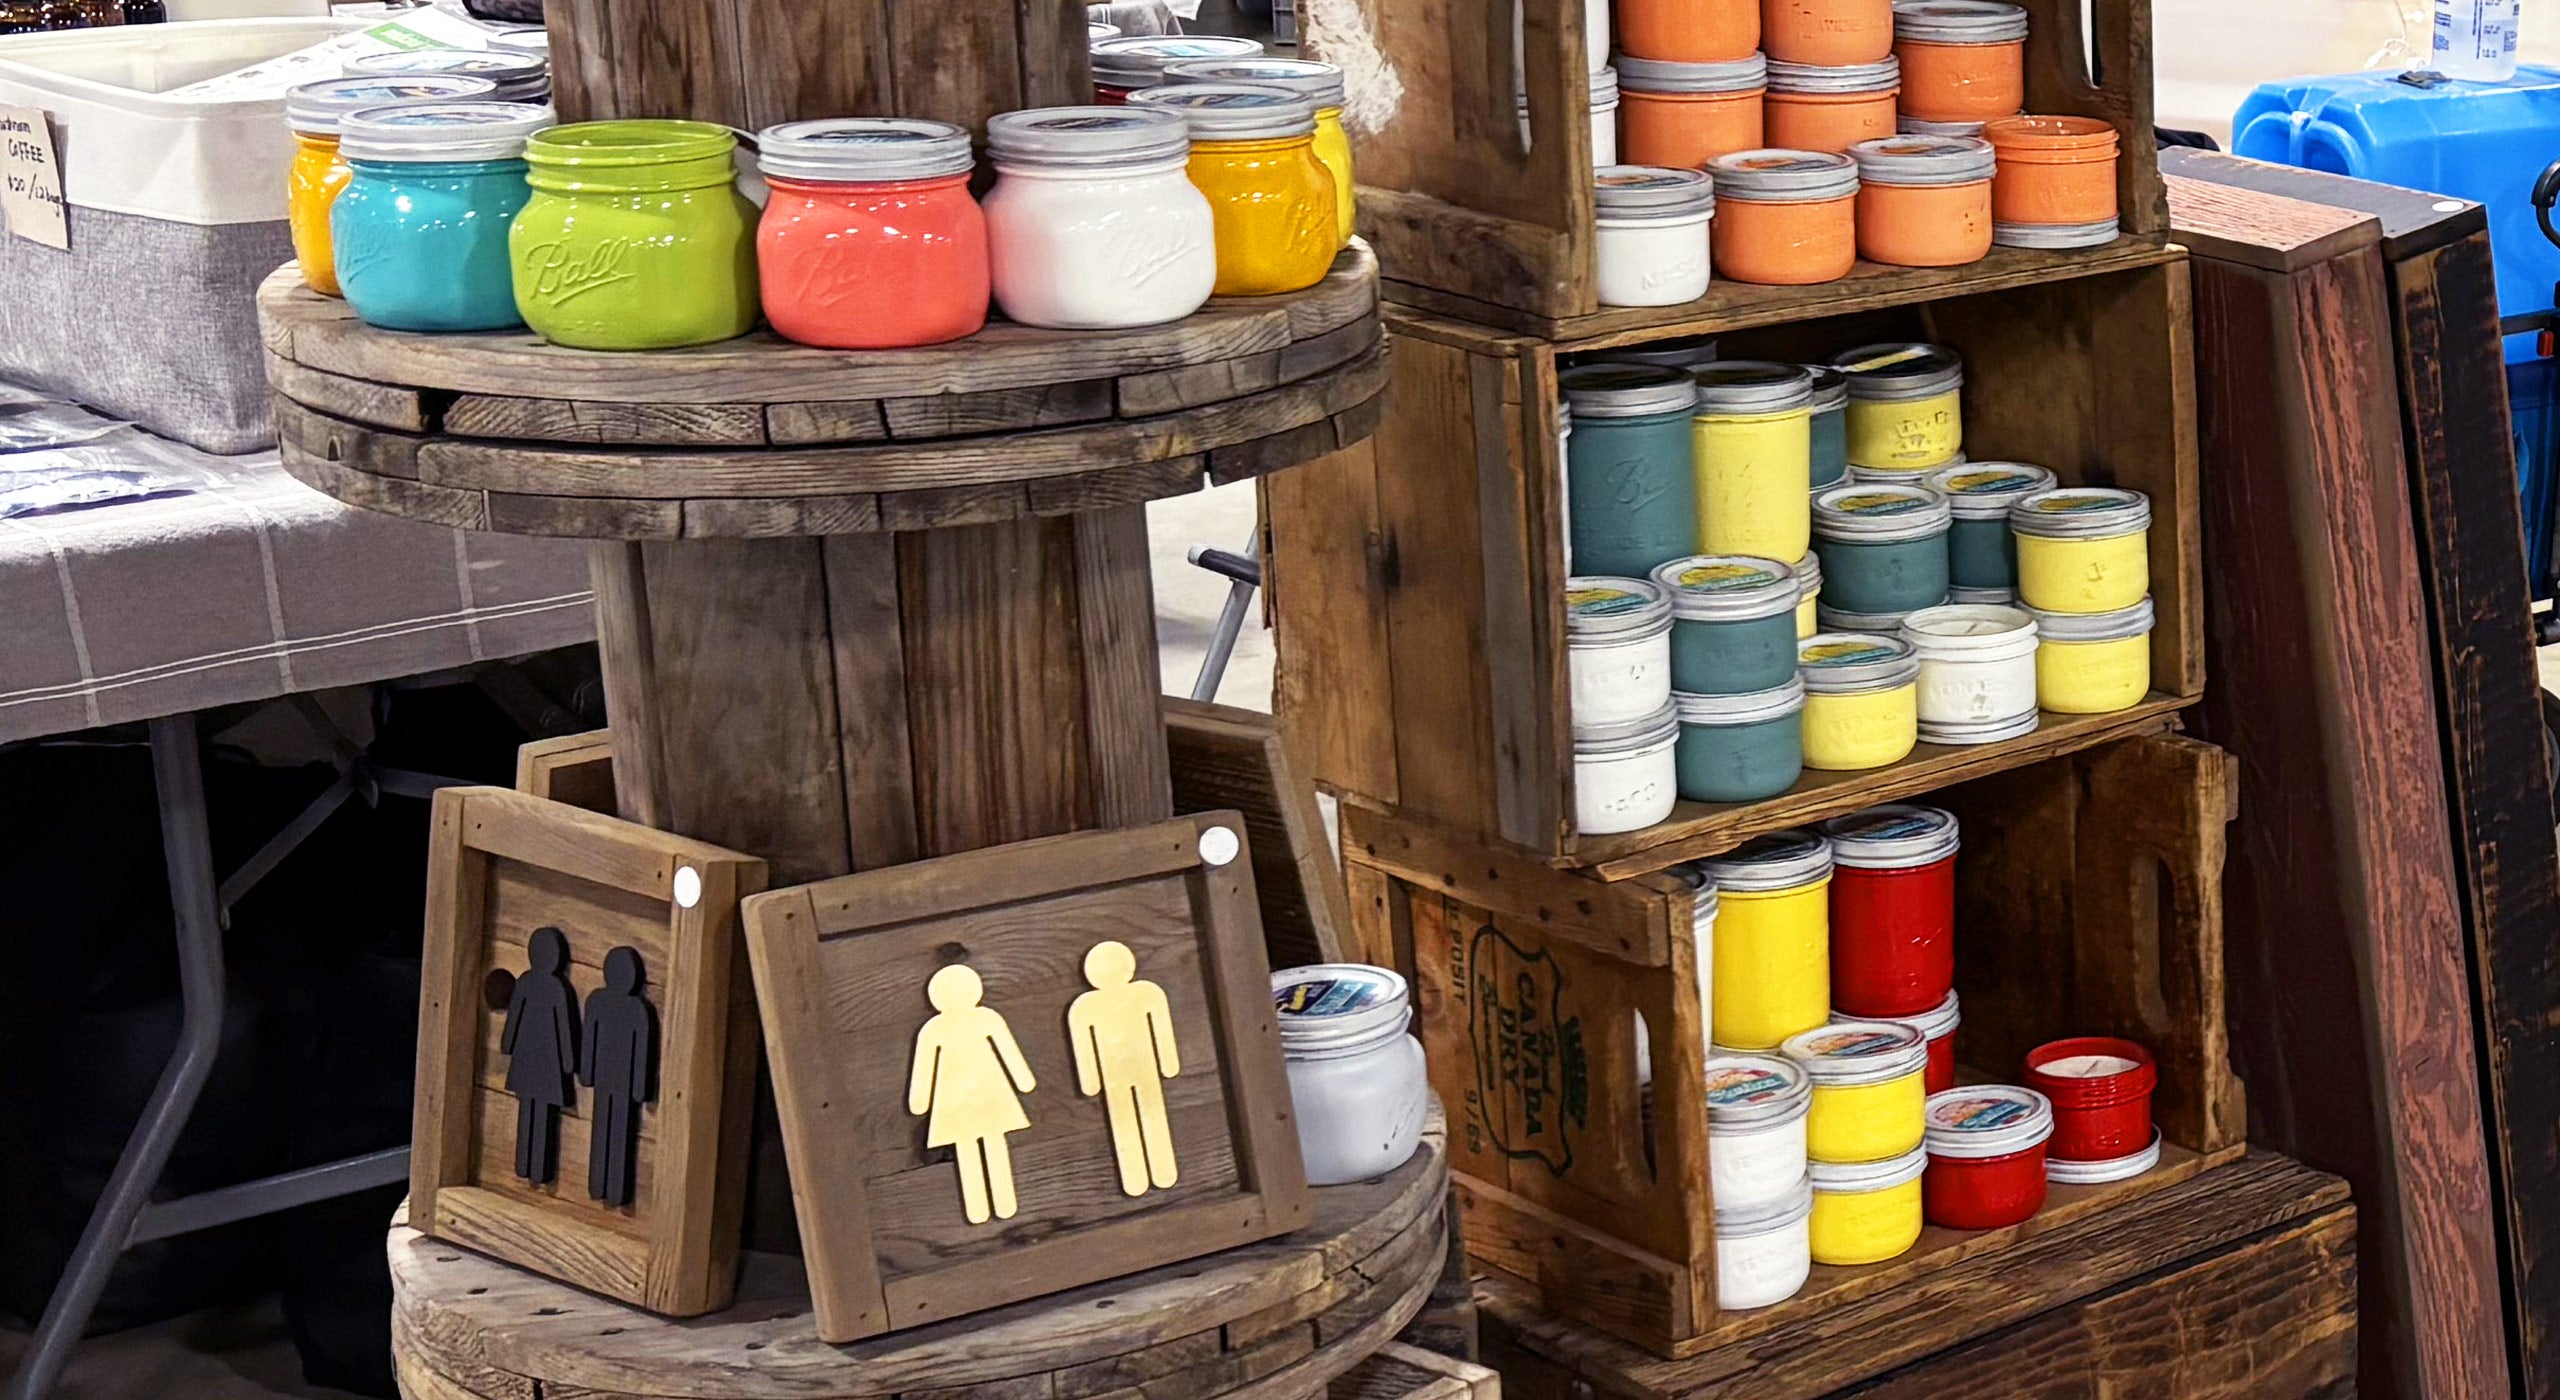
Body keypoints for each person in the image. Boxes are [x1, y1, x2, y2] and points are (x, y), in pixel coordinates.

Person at [908, 963, 1038, 1224]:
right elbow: (924, 1065)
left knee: (988, 1143)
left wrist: (1024, 1080)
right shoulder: (937, 1029)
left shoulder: (985, 1019)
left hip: (980, 1094)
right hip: (960, 1098)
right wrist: (920, 1100)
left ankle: (1001, 1203)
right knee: (973, 1147)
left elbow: (1007, 1050)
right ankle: (982, 1207)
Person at [1066, 939, 1182, 1197]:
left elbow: (1160, 1028)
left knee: (1152, 1113)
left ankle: (1162, 1170)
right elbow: (1085, 1043)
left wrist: (1168, 1062)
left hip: (1142, 1067)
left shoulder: (1146, 993)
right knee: (1125, 1120)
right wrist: (1090, 1080)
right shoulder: (1086, 1006)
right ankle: (1136, 1176)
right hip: (1114, 1074)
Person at [500, 926, 581, 1185]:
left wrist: (508, 1044)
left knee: (535, 1112)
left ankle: (530, 1166)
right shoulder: (551, 987)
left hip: (532, 1057)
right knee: (535, 1111)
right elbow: (561, 1027)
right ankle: (528, 1165)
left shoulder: (530, 982)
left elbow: (517, 1021)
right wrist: (568, 1060)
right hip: (545, 1061)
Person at [580, 946, 657, 1207]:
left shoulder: (614, 1004)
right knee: (608, 1129)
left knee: (614, 1131)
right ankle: (601, 1185)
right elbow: (590, 1039)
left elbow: (639, 1047)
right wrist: (587, 1072)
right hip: (613, 1079)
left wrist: (639, 1087)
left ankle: (610, 1187)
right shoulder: (607, 1003)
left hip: (615, 1080)